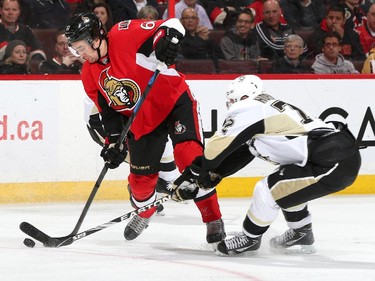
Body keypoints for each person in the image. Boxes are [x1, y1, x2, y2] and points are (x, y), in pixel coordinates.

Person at [65, 12, 225, 244]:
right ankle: (145, 212)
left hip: (173, 101)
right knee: (140, 184)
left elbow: (170, 24)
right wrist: (113, 143)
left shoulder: (123, 33)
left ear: (96, 38)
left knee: (189, 158)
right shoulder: (90, 73)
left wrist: (167, 40)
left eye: (81, 47)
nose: (80, 54)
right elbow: (108, 111)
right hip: (142, 120)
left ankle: (213, 219)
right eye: (75, 50)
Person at [171, 74, 361, 256]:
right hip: (336, 156)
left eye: (232, 100)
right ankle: (301, 232)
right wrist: (213, 176)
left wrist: (193, 175)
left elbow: (214, 151)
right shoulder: (266, 110)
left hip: (333, 160)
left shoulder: (250, 107)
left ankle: (250, 238)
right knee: (287, 182)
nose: (230, 105)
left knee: (267, 189)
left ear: (243, 97)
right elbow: (242, 153)